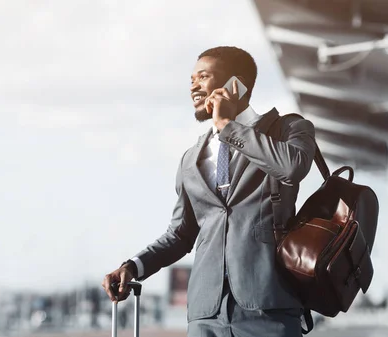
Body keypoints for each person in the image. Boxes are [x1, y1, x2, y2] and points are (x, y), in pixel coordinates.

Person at [101, 46, 316, 337]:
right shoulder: (191, 158)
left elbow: (293, 168)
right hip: (206, 314)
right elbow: (180, 234)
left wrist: (228, 126)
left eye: (203, 76)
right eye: (191, 78)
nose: (193, 86)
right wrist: (134, 266)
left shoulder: (287, 129)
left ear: (235, 85)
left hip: (269, 308)